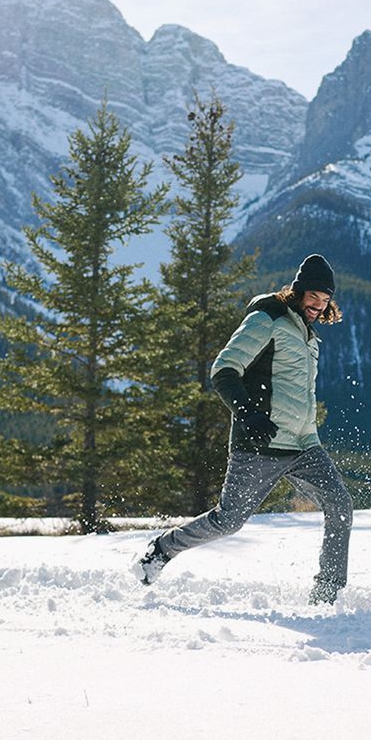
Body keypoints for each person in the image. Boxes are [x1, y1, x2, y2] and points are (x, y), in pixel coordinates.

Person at [132, 254, 353, 603]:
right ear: (297, 291)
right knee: (228, 520)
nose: (318, 305)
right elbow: (224, 370)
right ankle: (161, 549)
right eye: (313, 296)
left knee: (340, 504)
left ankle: (326, 596)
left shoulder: (306, 333)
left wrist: (309, 435)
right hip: (259, 444)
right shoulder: (268, 318)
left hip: (303, 444)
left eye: (325, 300)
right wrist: (248, 414)